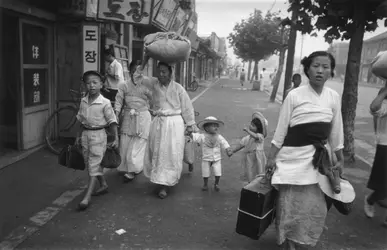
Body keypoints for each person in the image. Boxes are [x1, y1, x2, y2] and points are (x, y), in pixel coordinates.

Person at [265, 51, 347, 249]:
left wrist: (340, 158)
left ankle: (305, 240)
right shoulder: (294, 95)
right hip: (292, 159)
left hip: (319, 162)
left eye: (325, 67)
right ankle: (289, 243)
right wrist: (271, 157)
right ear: (307, 69)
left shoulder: (333, 97)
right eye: (316, 66)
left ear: (331, 72)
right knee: (289, 205)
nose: (320, 71)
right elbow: (282, 129)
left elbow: (336, 130)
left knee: (315, 206)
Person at [139, 58, 199, 199]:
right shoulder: (154, 84)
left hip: (174, 123)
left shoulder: (178, 88)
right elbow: (137, 77)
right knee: (157, 150)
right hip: (158, 123)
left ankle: (165, 184)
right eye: (159, 72)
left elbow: (187, 107)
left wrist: (190, 124)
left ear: (170, 72)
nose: (162, 74)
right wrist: (146, 58)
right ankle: (159, 179)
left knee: (171, 152)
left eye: (164, 71)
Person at [76, 71, 119, 210]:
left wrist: (116, 138)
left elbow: (112, 121)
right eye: (88, 83)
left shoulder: (105, 103)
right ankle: (103, 184)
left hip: (98, 136)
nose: (91, 85)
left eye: (95, 82)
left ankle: (86, 198)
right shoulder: (83, 100)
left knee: (93, 165)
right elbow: (80, 120)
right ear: (85, 85)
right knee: (90, 163)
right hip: (85, 135)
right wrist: (78, 136)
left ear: (101, 84)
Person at [115, 61, 153, 182]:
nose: (136, 74)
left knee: (138, 144)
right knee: (125, 143)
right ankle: (127, 167)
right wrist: (116, 115)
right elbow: (118, 101)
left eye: (139, 72)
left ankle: (132, 170)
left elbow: (155, 100)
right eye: (134, 71)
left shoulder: (147, 85)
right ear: (130, 72)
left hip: (143, 117)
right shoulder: (123, 85)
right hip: (128, 116)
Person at [364, 86, 387, 226]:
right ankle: (370, 200)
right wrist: (385, 91)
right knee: (383, 186)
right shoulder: (385, 101)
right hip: (385, 145)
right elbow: (374, 108)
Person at [190, 116, 232, 191]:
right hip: (206, 159)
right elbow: (195, 137)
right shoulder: (202, 136)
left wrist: (228, 149)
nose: (216, 127)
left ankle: (216, 184)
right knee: (205, 173)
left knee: (218, 173)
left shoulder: (218, 136)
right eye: (213, 126)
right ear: (206, 128)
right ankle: (205, 184)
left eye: (216, 126)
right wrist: (190, 133)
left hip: (217, 159)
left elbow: (224, 143)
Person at [229, 112, 268, 183]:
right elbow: (240, 145)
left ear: (259, 128)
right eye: (251, 124)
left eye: (253, 126)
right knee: (250, 170)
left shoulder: (260, 136)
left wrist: (248, 130)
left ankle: (258, 182)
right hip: (249, 157)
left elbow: (255, 136)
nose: (250, 126)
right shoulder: (247, 138)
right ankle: (250, 183)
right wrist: (232, 151)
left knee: (259, 171)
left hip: (258, 158)